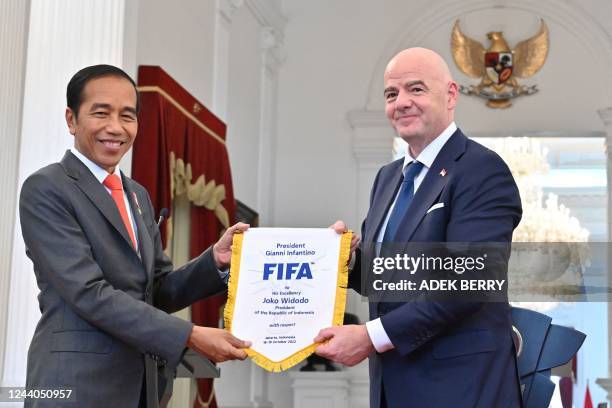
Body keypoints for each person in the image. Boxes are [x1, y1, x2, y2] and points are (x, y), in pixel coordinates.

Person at [19, 64, 251, 407]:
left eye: (127, 116)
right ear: (72, 120)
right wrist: (189, 334)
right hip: (74, 387)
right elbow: (89, 293)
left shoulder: (136, 195)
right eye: (101, 113)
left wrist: (213, 260)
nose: (116, 127)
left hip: (143, 386)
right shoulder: (47, 188)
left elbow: (156, 290)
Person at [315, 48, 523, 407]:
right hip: (393, 386)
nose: (402, 103)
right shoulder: (387, 178)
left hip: (461, 389)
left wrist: (370, 337)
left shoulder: (481, 170)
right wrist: (349, 261)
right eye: (391, 94)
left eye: (416, 89)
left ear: (451, 94)